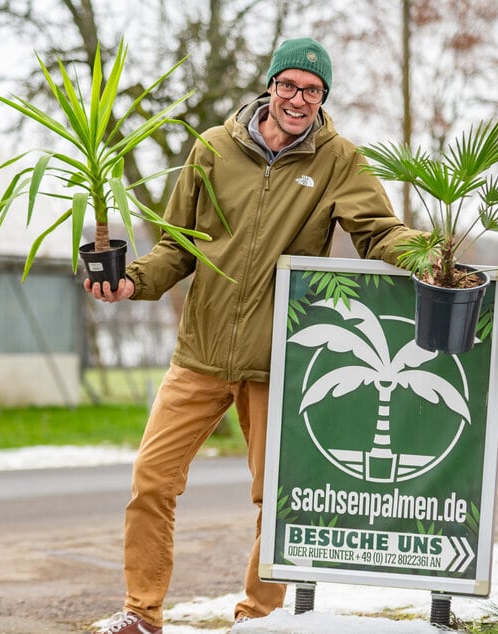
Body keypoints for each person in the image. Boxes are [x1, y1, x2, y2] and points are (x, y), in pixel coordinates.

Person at [86, 37, 424, 634]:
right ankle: (141, 613)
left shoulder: (338, 159)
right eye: (289, 85)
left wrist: (427, 257)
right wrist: (131, 282)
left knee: (277, 499)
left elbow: (377, 231)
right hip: (201, 353)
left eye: (312, 90)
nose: (299, 100)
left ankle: (257, 617)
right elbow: (177, 244)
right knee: (151, 481)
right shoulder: (212, 149)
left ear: (324, 98)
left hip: (280, 359)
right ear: (269, 86)